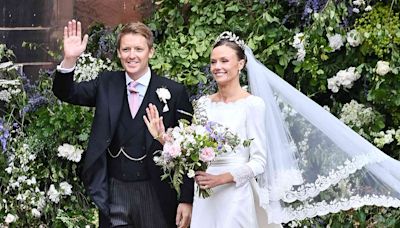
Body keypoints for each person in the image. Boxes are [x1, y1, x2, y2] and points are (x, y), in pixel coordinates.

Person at [146, 31, 400, 227]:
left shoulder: (253, 105)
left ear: (241, 64)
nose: (217, 67)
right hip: (205, 199)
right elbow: (192, 153)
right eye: (213, 62)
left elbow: (259, 162)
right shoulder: (202, 104)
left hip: (234, 196)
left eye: (224, 60)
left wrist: (222, 178)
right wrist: (164, 138)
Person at [52, 20, 194, 228]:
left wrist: (186, 199)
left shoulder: (174, 92)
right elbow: (66, 92)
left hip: (155, 191)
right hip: (115, 190)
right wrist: (69, 59)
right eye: (126, 49)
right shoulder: (106, 84)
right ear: (118, 53)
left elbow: (188, 152)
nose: (132, 55)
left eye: (138, 49)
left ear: (151, 52)